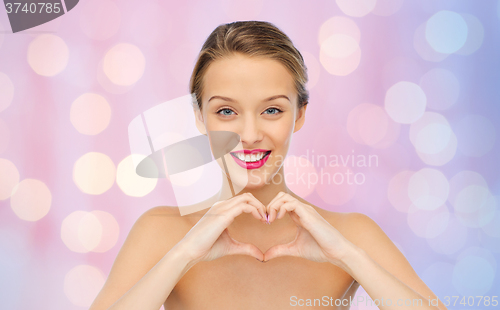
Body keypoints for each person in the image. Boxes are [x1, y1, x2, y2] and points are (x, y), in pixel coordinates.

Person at [89, 21, 448, 310]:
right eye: (226, 111)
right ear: (200, 117)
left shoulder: (349, 235)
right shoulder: (162, 232)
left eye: (272, 110)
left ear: (300, 115)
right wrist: (183, 255)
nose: (249, 134)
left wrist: (349, 257)